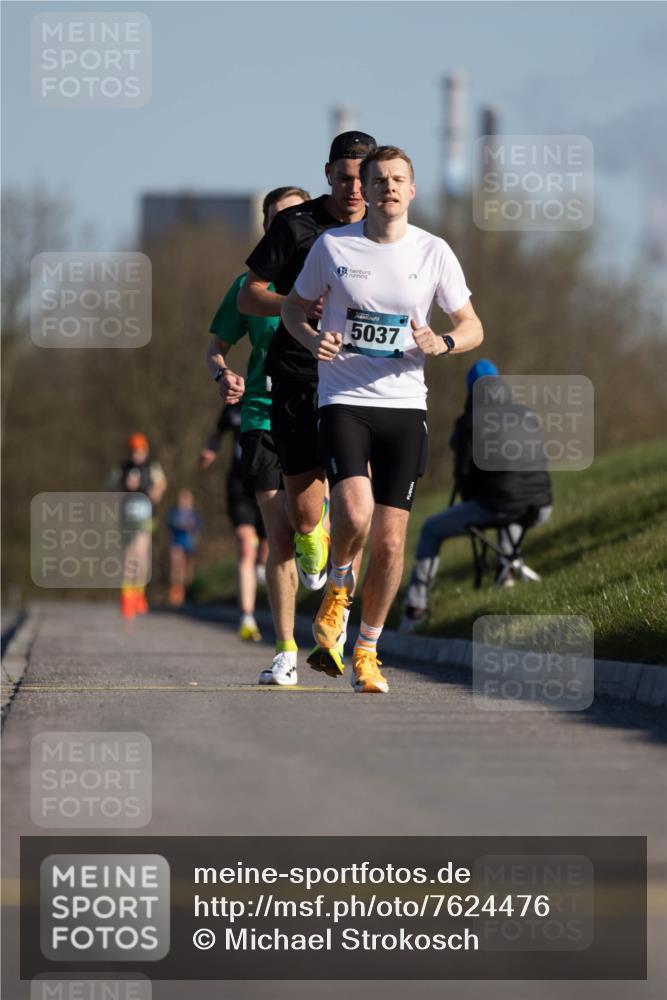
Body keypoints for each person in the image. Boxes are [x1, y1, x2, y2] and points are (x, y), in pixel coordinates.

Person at [281, 145, 484, 693]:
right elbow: (292, 308)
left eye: (398, 180)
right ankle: (339, 589)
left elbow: (471, 325)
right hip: (343, 398)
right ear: (364, 191)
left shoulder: (433, 251)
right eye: (378, 180)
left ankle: (367, 650)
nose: (388, 188)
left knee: (392, 543)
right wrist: (310, 337)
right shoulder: (332, 246)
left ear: (412, 190)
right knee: (354, 509)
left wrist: (441, 341)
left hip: (405, 405)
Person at [238, 133, 377, 590]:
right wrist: (295, 305)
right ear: (328, 175)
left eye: (363, 179)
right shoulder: (295, 225)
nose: (354, 190)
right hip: (298, 374)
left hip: (360, 378)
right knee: (303, 514)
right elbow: (248, 295)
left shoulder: (386, 226)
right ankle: (312, 532)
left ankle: (340, 605)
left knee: (358, 504)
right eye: (345, 178)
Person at [207, 186, 316, 680]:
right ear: (267, 229)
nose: (289, 227)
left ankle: (320, 535)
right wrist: (221, 373)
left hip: (317, 409)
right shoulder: (246, 287)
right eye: (279, 221)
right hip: (261, 413)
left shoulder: (331, 277)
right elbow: (215, 346)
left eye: (297, 217)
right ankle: (287, 651)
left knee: (309, 521)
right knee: (278, 537)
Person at [401, 360, 553, 628]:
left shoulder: (469, 422)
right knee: (512, 505)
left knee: (430, 529)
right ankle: (505, 573)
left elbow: (463, 478)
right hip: (541, 506)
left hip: (500, 506)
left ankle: (416, 607)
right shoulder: (526, 414)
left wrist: (473, 494)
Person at [200, 402, 268, 642]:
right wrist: (210, 450)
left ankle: (262, 565)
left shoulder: (270, 399)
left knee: (269, 545)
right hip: (240, 485)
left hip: (269, 480)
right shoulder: (232, 409)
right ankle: (247, 617)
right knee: (244, 544)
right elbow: (216, 435)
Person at [107, 432, 167, 619]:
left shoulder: (152, 467)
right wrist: (123, 489)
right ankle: (127, 595)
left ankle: (139, 593)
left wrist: (150, 490)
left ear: (145, 450)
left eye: (140, 450)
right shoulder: (121, 468)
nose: (137, 454)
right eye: (134, 450)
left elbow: (161, 486)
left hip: (145, 516)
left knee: (140, 552)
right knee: (128, 554)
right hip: (126, 516)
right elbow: (109, 491)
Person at [166, 488, 202, 607]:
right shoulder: (174, 513)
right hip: (176, 543)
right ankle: (176, 593)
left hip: (190, 545)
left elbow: (198, 529)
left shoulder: (194, 514)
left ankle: (187, 592)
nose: (184, 501)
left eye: (187, 499)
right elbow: (169, 527)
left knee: (188, 570)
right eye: (182, 499)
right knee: (177, 566)